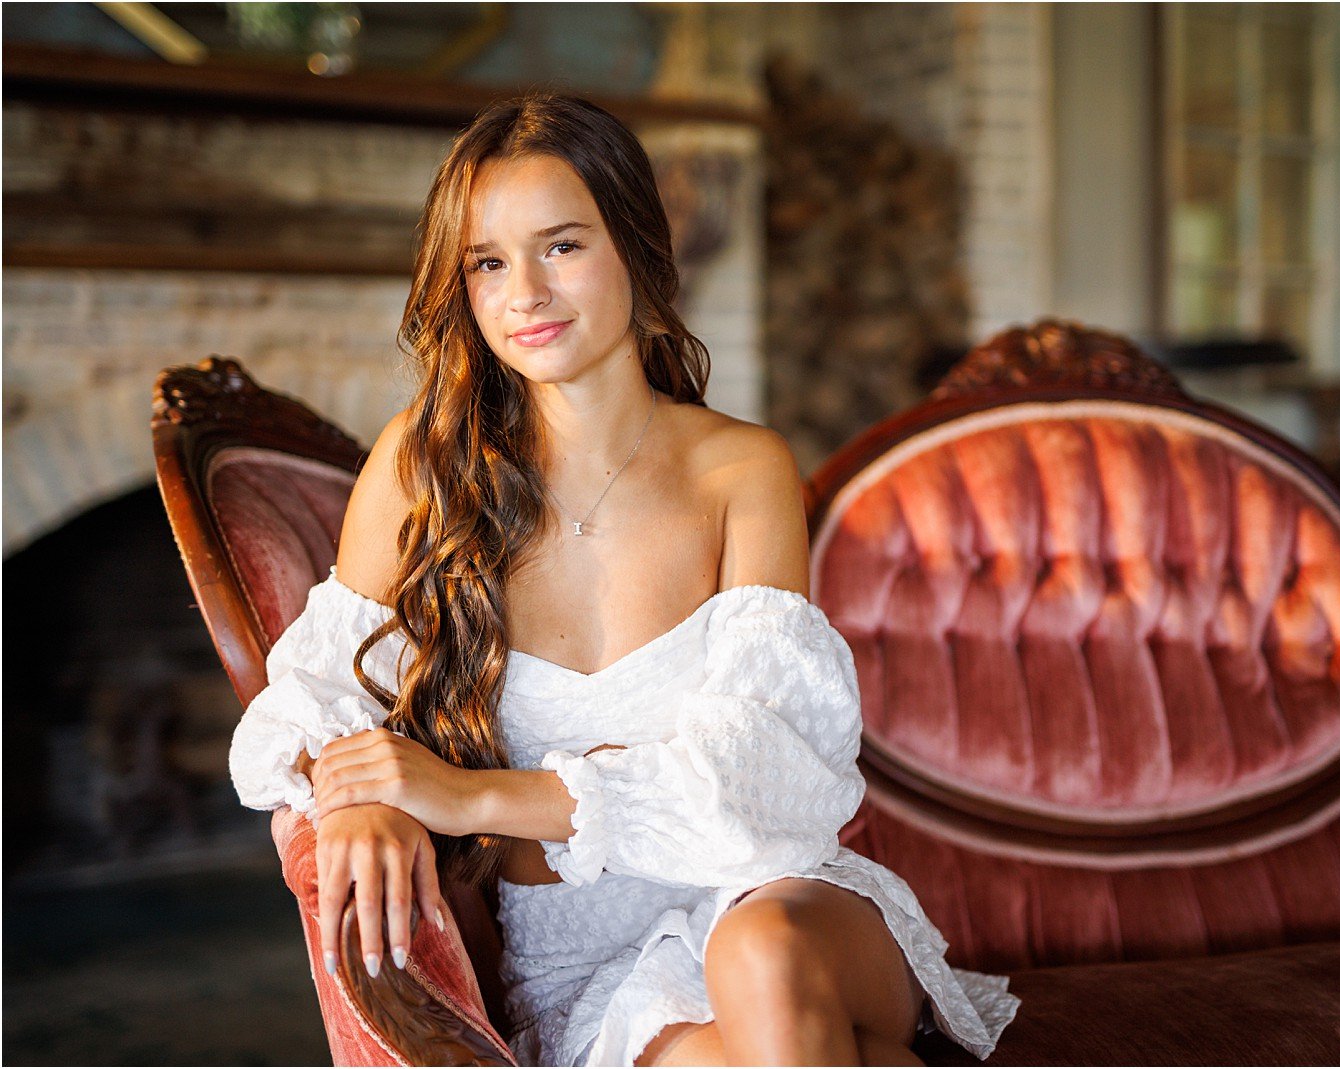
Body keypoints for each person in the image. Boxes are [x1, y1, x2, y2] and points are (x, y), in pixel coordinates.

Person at [229, 91, 1020, 1067]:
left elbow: (765, 782)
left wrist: (472, 797)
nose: (523, 291)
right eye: (486, 261)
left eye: (561, 245)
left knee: (765, 956)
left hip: (776, 904)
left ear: (639, 254)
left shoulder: (742, 470)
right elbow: (303, 707)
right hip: (579, 964)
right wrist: (365, 798)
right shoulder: (424, 470)